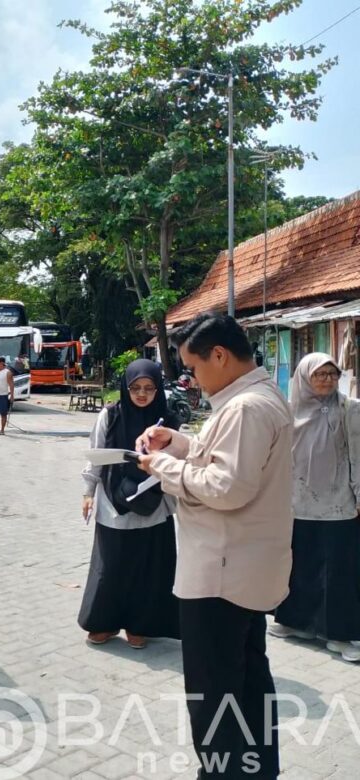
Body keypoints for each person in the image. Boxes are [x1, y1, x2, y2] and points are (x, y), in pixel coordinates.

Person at [137, 313, 292, 779]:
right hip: (245, 568)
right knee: (247, 683)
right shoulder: (260, 398)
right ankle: (257, 770)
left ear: (220, 356)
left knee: (215, 695)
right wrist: (181, 443)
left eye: (195, 368)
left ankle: (224, 773)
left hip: (220, 575)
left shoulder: (245, 407)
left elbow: (227, 487)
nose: (193, 380)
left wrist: (163, 465)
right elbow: (226, 458)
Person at [79, 359, 180, 649]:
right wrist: (88, 492)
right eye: (135, 388)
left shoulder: (168, 420)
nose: (142, 394)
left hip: (154, 503)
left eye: (149, 388)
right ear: (125, 387)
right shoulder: (110, 415)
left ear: (158, 389)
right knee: (111, 566)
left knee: (147, 568)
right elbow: (95, 454)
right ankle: (104, 623)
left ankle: (139, 626)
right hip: (113, 502)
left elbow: (180, 461)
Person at [270, 353, 360, 662]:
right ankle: (296, 623)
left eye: (332, 374)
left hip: (339, 504)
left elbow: (358, 456)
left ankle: (339, 634)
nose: (326, 380)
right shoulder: (289, 412)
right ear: (305, 378)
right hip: (298, 503)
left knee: (339, 571)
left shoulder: (350, 410)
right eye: (319, 374)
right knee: (299, 565)